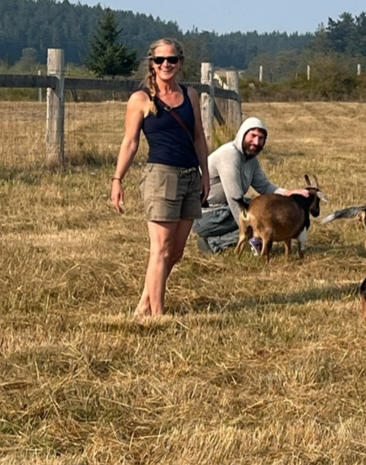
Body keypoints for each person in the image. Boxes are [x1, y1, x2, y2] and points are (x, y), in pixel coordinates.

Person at [110, 38, 209, 317]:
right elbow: (130, 143)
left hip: (191, 176)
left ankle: (144, 304)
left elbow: (199, 137)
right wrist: (117, 179)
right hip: (161, 177)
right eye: (160, 60)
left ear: (180, 63)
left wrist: (205, 174)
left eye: (172, 60)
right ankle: (158, 315)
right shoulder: (141, 99)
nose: (166, 64)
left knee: (175, 252)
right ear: (151, 63)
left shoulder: (190, 95)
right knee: (161, 250)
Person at [192, 116, 309, 254]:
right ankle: (213, 244)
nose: (256, 142)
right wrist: (253, 230)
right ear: (242, 134)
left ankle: (247, 237)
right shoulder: (229, 155)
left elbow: (264, 187)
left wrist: (289, 193)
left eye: (261, 138)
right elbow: (234, 198)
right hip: (205, 215)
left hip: (224, 210)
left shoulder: (251, 160)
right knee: (261, 221)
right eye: (252, 136)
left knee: (267, 212)